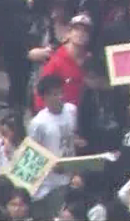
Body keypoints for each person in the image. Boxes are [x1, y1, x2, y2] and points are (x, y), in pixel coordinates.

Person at [29, 75, 78, 220]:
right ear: (44, 97)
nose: (59, 97)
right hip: (49, 180)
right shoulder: (39, 123)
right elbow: (33, 152)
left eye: (60, 92)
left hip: (69, 174)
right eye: (54, 94)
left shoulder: (71, 110)